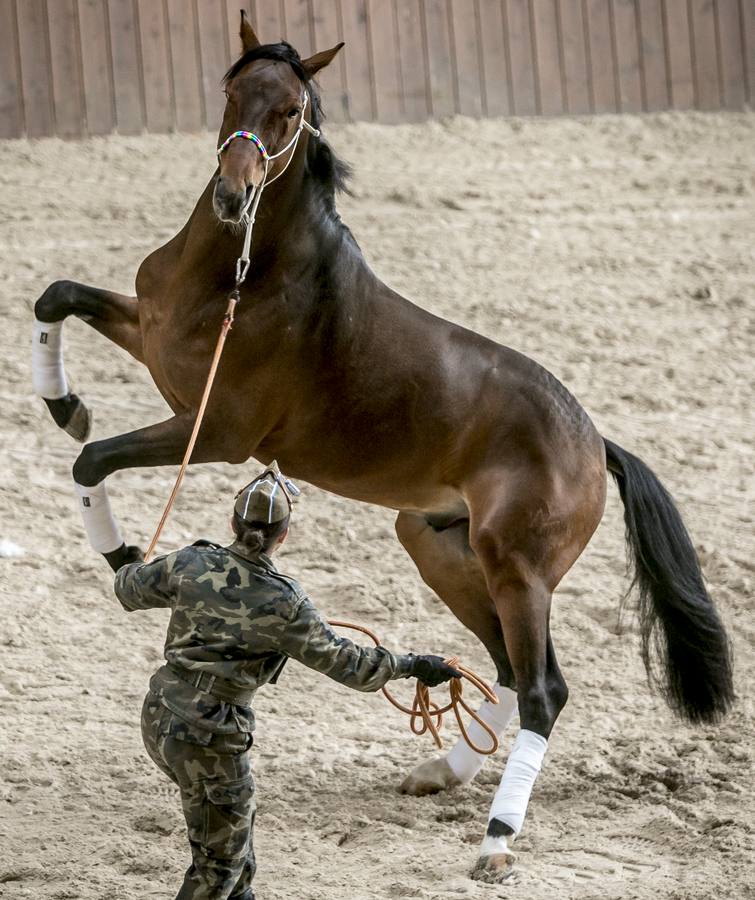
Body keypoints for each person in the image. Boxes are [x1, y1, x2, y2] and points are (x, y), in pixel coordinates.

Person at [114, 462, 460, 900]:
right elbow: (348, 664)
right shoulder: (287, 601)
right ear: (284, 535)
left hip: (160, 714)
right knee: (218, 867)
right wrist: (415, 665)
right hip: (211, 735)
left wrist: (127, 562)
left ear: (232, 523)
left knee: (234, 844)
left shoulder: (190, 561)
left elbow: (128, 590)